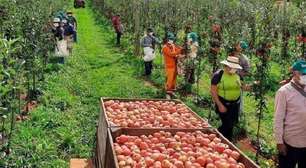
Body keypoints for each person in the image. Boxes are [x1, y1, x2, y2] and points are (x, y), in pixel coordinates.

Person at [274, 60, 306, 168]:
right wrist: (279, 142)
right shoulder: (284, 92)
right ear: (295, 73)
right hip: (291, 142)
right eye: (303, 73)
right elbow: (278, 118)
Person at [211, 56, 248, 140]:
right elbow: (213, 91)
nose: (233, 69)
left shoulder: (238, 75)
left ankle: (226, 142)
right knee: (226, 124)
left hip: (235, 104)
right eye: (231, 67)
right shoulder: (218, 75)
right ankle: (216, 138)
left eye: (234, 68)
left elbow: (242, 86)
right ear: (226, 66)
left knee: (231, 125)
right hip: (223, 102)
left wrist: (249, 87)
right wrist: (220, 105)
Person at [162, 33, 183, 98]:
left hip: (174, 64)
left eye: (172, 39)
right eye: (170, 39)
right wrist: (179, 51)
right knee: (170, 78)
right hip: (169, 65)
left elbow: (177, 50)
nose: (171, 40)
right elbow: (171, 54)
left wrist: (181, 49)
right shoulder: (165, 47)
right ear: (167, 39)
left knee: (174, 78)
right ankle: (168, 92)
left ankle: (172, 90)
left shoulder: (173, 45)